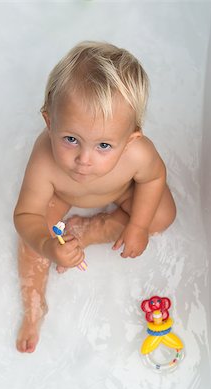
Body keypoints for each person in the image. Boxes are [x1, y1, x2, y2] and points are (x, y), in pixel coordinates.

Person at [13, 41, 176, 353]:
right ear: (50, 123)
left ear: (130, 139)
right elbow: (25, 215)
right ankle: (34, 306)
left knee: (163, 214)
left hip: (121, 191)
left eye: (104, 145)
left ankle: (94, 229)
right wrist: (47, 244)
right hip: (61, 195)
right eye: (71, 139)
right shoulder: (45, 159)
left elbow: (154, 178)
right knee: (31, 240)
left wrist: (138, 226)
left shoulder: (137, 154)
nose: (84, 159)